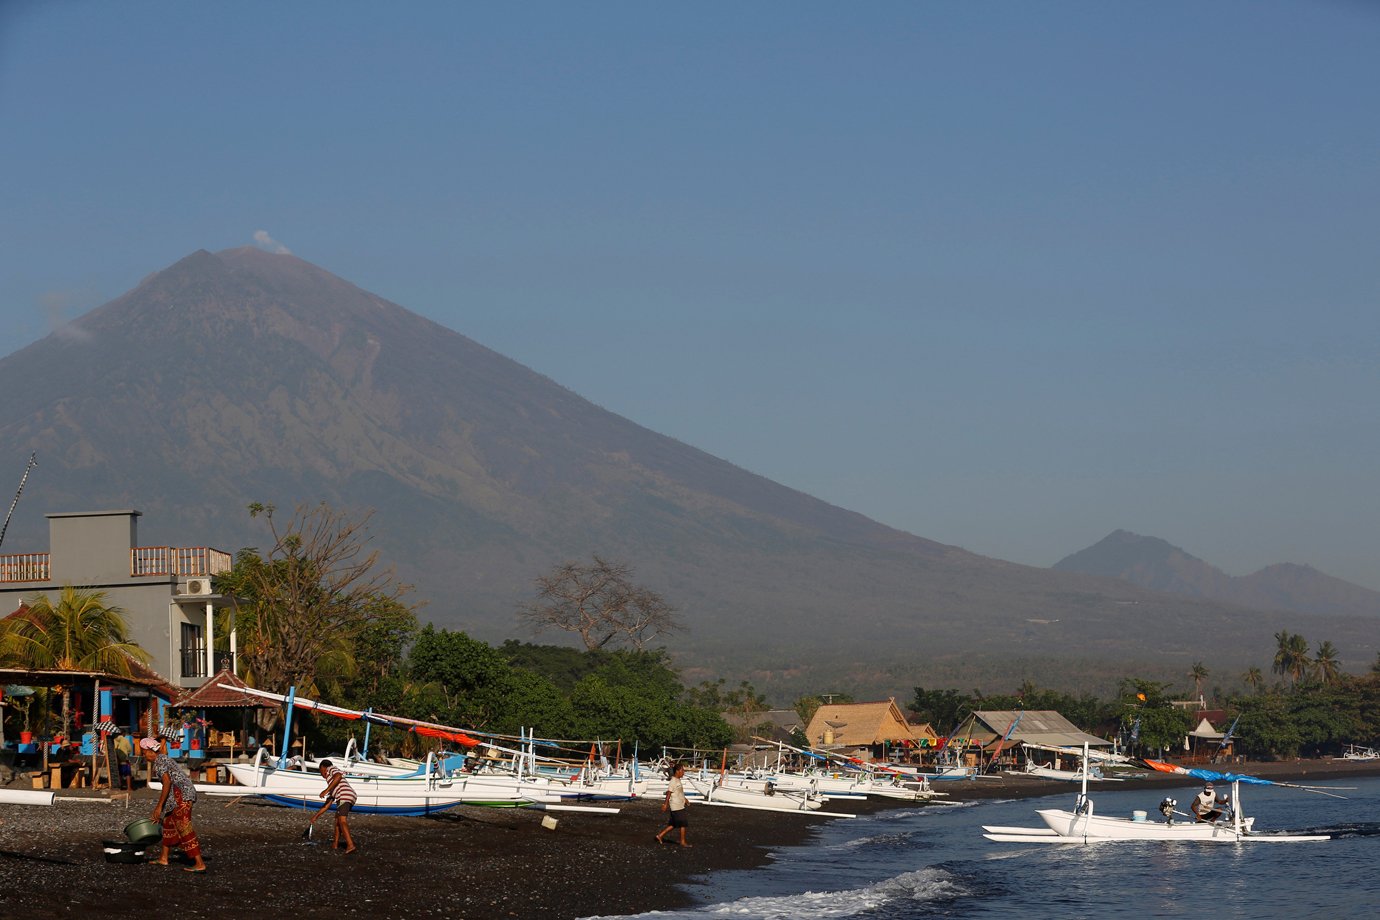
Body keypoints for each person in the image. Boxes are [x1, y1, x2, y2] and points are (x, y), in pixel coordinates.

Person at [140, 736, 206, 872]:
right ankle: (164, 858)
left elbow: (167, 783)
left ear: (150, 751)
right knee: (168, 824)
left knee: (184, 827)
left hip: (182, 794)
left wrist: (159, 807)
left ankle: (199, 863)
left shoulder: (159, 762)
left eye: (143, 752)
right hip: (176, 796)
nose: (143, 755)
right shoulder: (161, 759)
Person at [310, 759, 358, 854]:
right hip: (347, 796)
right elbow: (327, 804)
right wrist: (315, 817)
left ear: (323, 768)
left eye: (321, 771)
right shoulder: (332, 784)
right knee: (337, 821)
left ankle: (350, 845)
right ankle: (335, 844)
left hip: (344, 795)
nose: (322, 774)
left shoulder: (331, 768)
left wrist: (326, 790)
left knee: (342, 820)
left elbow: (339, 776)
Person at [655, 762, 690, 847]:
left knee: (674, 824)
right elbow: (668, 793)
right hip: (676, 806)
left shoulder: (678, 780)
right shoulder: (673, 781)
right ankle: (682, 842)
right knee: (683, 823)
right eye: (682, 770)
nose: (683, 772)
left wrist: (685, 799)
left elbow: (679, 792)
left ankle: (659, 836)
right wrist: (665, 805)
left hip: (680, 805)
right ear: (677, 771)